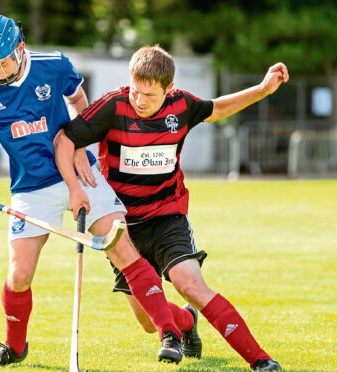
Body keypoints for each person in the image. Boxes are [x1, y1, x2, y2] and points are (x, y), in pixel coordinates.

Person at [0, 17, 192, 368]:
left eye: (3, 61)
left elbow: (80, 103)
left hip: (79, 172)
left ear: (20, 48)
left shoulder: (54, 65)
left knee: (122, 248)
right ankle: (15, 348)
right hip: (30, 187)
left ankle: (170, 331)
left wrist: (80, 145)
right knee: (19, 275)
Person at [54, 44, 288, 371]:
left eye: (149, 96)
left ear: (168, 89)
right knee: (149, 321)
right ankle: (185, 323)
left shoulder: (182, 106)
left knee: (190, 284)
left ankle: (261, 360)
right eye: (135, 91)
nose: (139, 100)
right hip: (121, 225)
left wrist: (263, 89)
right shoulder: (113, 106)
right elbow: (65, 137)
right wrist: (74, 184)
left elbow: (218, 109)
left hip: (167, 215)